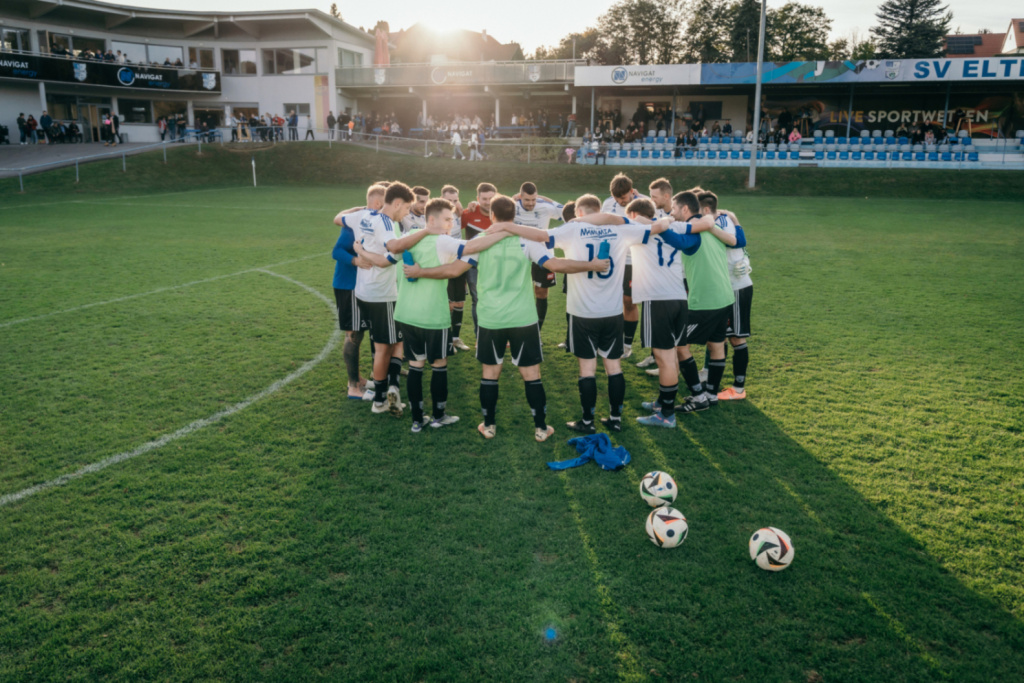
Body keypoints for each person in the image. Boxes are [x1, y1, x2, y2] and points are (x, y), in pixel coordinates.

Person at [406, 195, 609, 442]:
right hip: (523, 318)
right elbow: (555, 264)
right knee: (532, 374)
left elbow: (453, 270)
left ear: (492, 215)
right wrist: (592, 265)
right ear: (515, 215)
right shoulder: (527, 238)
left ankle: (489, 426)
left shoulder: (481, 241)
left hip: (491, 319)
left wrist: (419, 272)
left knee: (490, 373)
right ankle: (541, 428)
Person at [502, 195, 668, 435]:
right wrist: (669, 219)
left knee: (587, 369)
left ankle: (588, 421)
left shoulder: (573, 228)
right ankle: (615, 418)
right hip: (612, 311)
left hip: (582, 312)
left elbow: (540, 236)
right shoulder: (621, 229)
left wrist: (507, 226)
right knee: (614, 367)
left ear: (579, 212)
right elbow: (657, 228)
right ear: (599, 210)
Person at [392, 198, 513, 432]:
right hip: (432, 316)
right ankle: (438, 416)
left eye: (453, 220)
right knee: (439, 364)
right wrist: (503, 231)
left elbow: (392, 255)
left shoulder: (410, 237)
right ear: (432, 219)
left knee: (416, 365)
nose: (451, 224)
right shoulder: (442, 240)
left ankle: (417, 420)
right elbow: (472, 247)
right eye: (447, 219)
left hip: (406, 313)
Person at [350, 182, 441, 417]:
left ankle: (391, 389)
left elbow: (340, 218)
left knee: (393, 342)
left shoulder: (365, 215)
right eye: (407, 208)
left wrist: (360, 250)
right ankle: (381, 399)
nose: (407, 213)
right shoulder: (387, 223)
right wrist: (426, 231)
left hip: (364, 290)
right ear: (397, 203)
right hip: (382, 294)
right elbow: (391, 250)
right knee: (383, 348)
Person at [653, 191, 743, 413]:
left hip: (705, 301)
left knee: (679, 346)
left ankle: (699, 397)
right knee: (716, 345)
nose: (672, 213)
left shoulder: (694, 232)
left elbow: (675, 240)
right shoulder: (713, 228)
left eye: (674, 209)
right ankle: (711, 394)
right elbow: (734, 241)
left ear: (685, 209)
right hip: (725, 296)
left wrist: (659, 225)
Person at [333, 184, 388, 399]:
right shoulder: (356, 222)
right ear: (377, 203)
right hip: (349, 286)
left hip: (363, 286)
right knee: (353, 334)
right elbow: (337, 251)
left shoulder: (377, 222)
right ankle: (353, 387)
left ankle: (359, 379)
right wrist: (355, 261)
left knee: (361, 332)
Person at [601, 174, 648, 360]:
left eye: (623, 197)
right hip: (614, 260)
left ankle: (627, 345)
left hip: (634, 260)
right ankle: (611, 339)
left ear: (631, 191)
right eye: (617, 198)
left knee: (629, 301)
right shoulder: (607, 204)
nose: (620, 201)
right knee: (611, 300)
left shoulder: (645, 203)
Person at [514, 182, 564, 334]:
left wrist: (543, 198)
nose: (531, 203)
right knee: (517, 292)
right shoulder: (512, 206)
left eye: (534, 199)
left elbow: (566, 212)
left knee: (541, 292)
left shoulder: (545, 207)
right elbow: (493, 208)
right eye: (527, 200)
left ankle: (536, 333)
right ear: (520, 197)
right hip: (518, 255)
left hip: (542, 254)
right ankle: (516, 330)